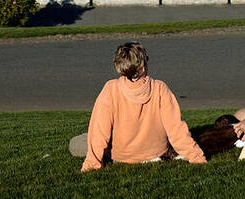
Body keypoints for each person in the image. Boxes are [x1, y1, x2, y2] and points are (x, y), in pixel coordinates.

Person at [72, 42, 207, 171]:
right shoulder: (160, 88)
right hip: (156, 152)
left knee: (76, 143)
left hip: (121, 155)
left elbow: (99, 132)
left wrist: (91, 164)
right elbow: (177, 130)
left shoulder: (111, 89)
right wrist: (197, 157)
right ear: (142, 68)